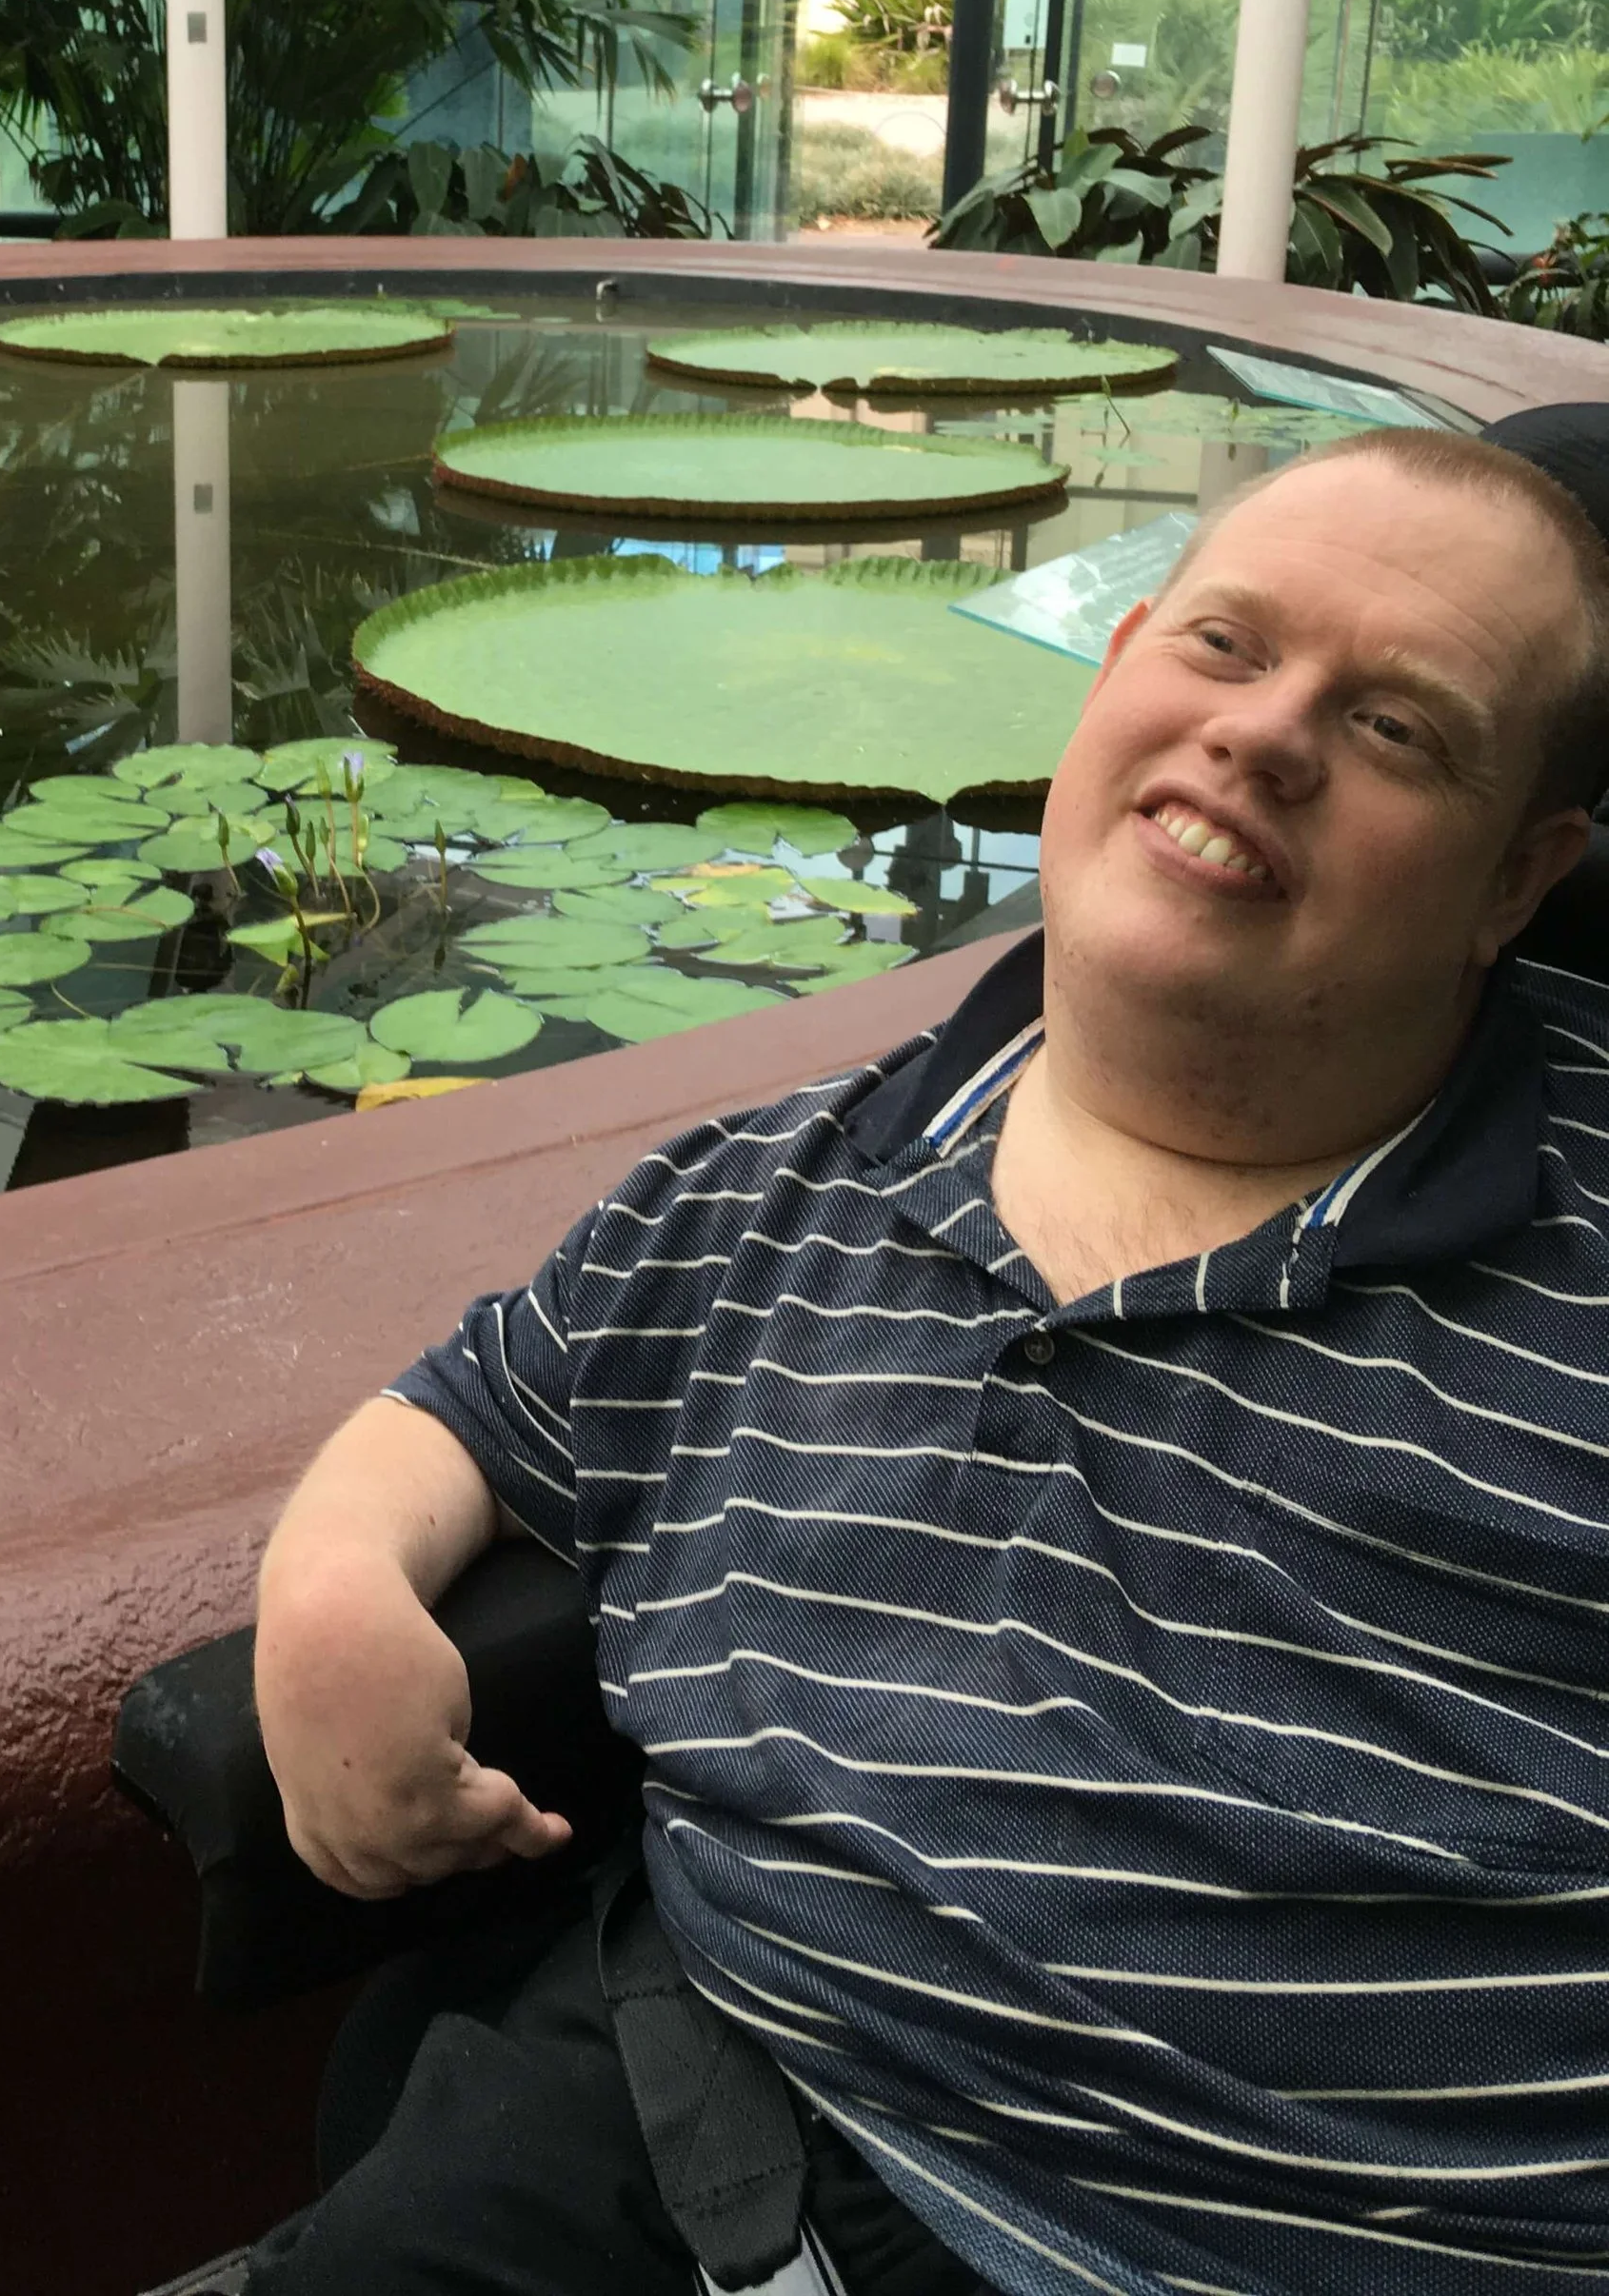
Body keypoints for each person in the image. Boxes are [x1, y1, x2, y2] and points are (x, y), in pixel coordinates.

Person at [247, 426, 1609, 2296]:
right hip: (708, 2155)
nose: (1263, 733)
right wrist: (324, 1590)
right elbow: (461, 1414)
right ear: (1116, 660)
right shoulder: (774, 1185)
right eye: (1221, 646)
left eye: (1392, 727)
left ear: (1515, 877)